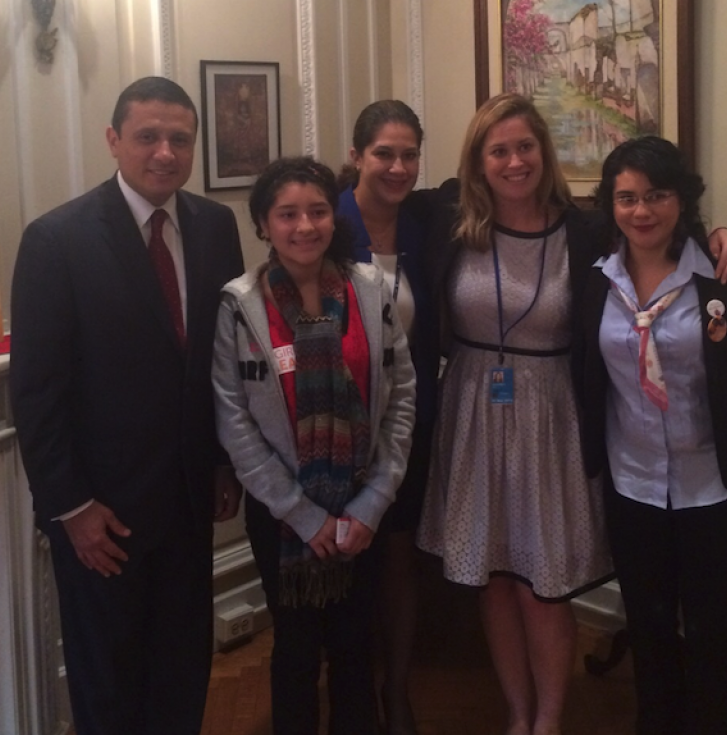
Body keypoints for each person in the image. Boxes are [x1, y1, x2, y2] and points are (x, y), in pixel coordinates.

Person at [415, 93, 727, 735]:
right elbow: (376, 202)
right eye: (499, 150)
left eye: (525, 146)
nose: (514, 161)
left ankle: (549, 720)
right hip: (472, 414)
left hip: (551, 420)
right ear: (477, 161)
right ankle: (517, 714)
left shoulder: (587, 228)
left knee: (543, 584)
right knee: (493, 578)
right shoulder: (449, 220)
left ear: (543, 151)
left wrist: (722, 233)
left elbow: (660, 224)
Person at [9, 76, 244, 735]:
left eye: (180, 139)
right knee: (107, 682)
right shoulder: (56, 241)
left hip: (190, 499)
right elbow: (36, 391)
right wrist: (72, 507)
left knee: (181, 669)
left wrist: (224, 465)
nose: (164, 152)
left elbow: (217, 363)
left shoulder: (215, 226)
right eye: (148, 136)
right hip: (100, 515)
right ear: (113, 141)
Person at [576, 135, 727, 735]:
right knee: (647, 623)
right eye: (626, 198)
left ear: (682, 200)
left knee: (710, 627)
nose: (641, 211)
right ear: (610, 205)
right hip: (633, 486)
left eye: (657, 195)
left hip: (715, 487)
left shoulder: (724, 277)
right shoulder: (597, 278)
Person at [212, 156, 416, 735]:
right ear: (263, 225)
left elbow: (401, 396)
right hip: (282, 519)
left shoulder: (370, 288)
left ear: (335, 215)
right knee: (296, 652)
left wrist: (372, 503)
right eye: (288, 214)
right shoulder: (239, 304)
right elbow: (234, 421)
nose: (305, 226)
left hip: (362, 510)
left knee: (356, 645)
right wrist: (304, 516)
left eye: (318, 211)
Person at [336, 99, 436, 735]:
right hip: (337, 426)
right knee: (347, 560)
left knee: (399, 558)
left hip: (412, 420)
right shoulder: (326, 220)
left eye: (408, 155)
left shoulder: (430, 219)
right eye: (383, 154)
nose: (397, 168)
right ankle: (349, 694)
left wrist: (713, 236)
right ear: (356, 157)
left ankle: (395, 691)